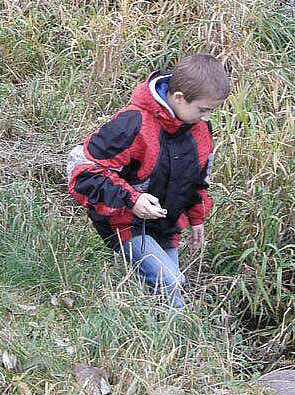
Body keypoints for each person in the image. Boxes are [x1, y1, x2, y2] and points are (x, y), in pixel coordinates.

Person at [67, 54, 230, 308]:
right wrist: (133, 200)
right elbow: (84, 171)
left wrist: (197, 218)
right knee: (170, 283)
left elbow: (198, 179)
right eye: (203, 110)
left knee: (170, 289)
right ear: (178, 98)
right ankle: (182, 342)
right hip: (124, 222)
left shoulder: (199, 128)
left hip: (167, 224)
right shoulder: (132, 123)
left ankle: (154, 334)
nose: (207, 118)